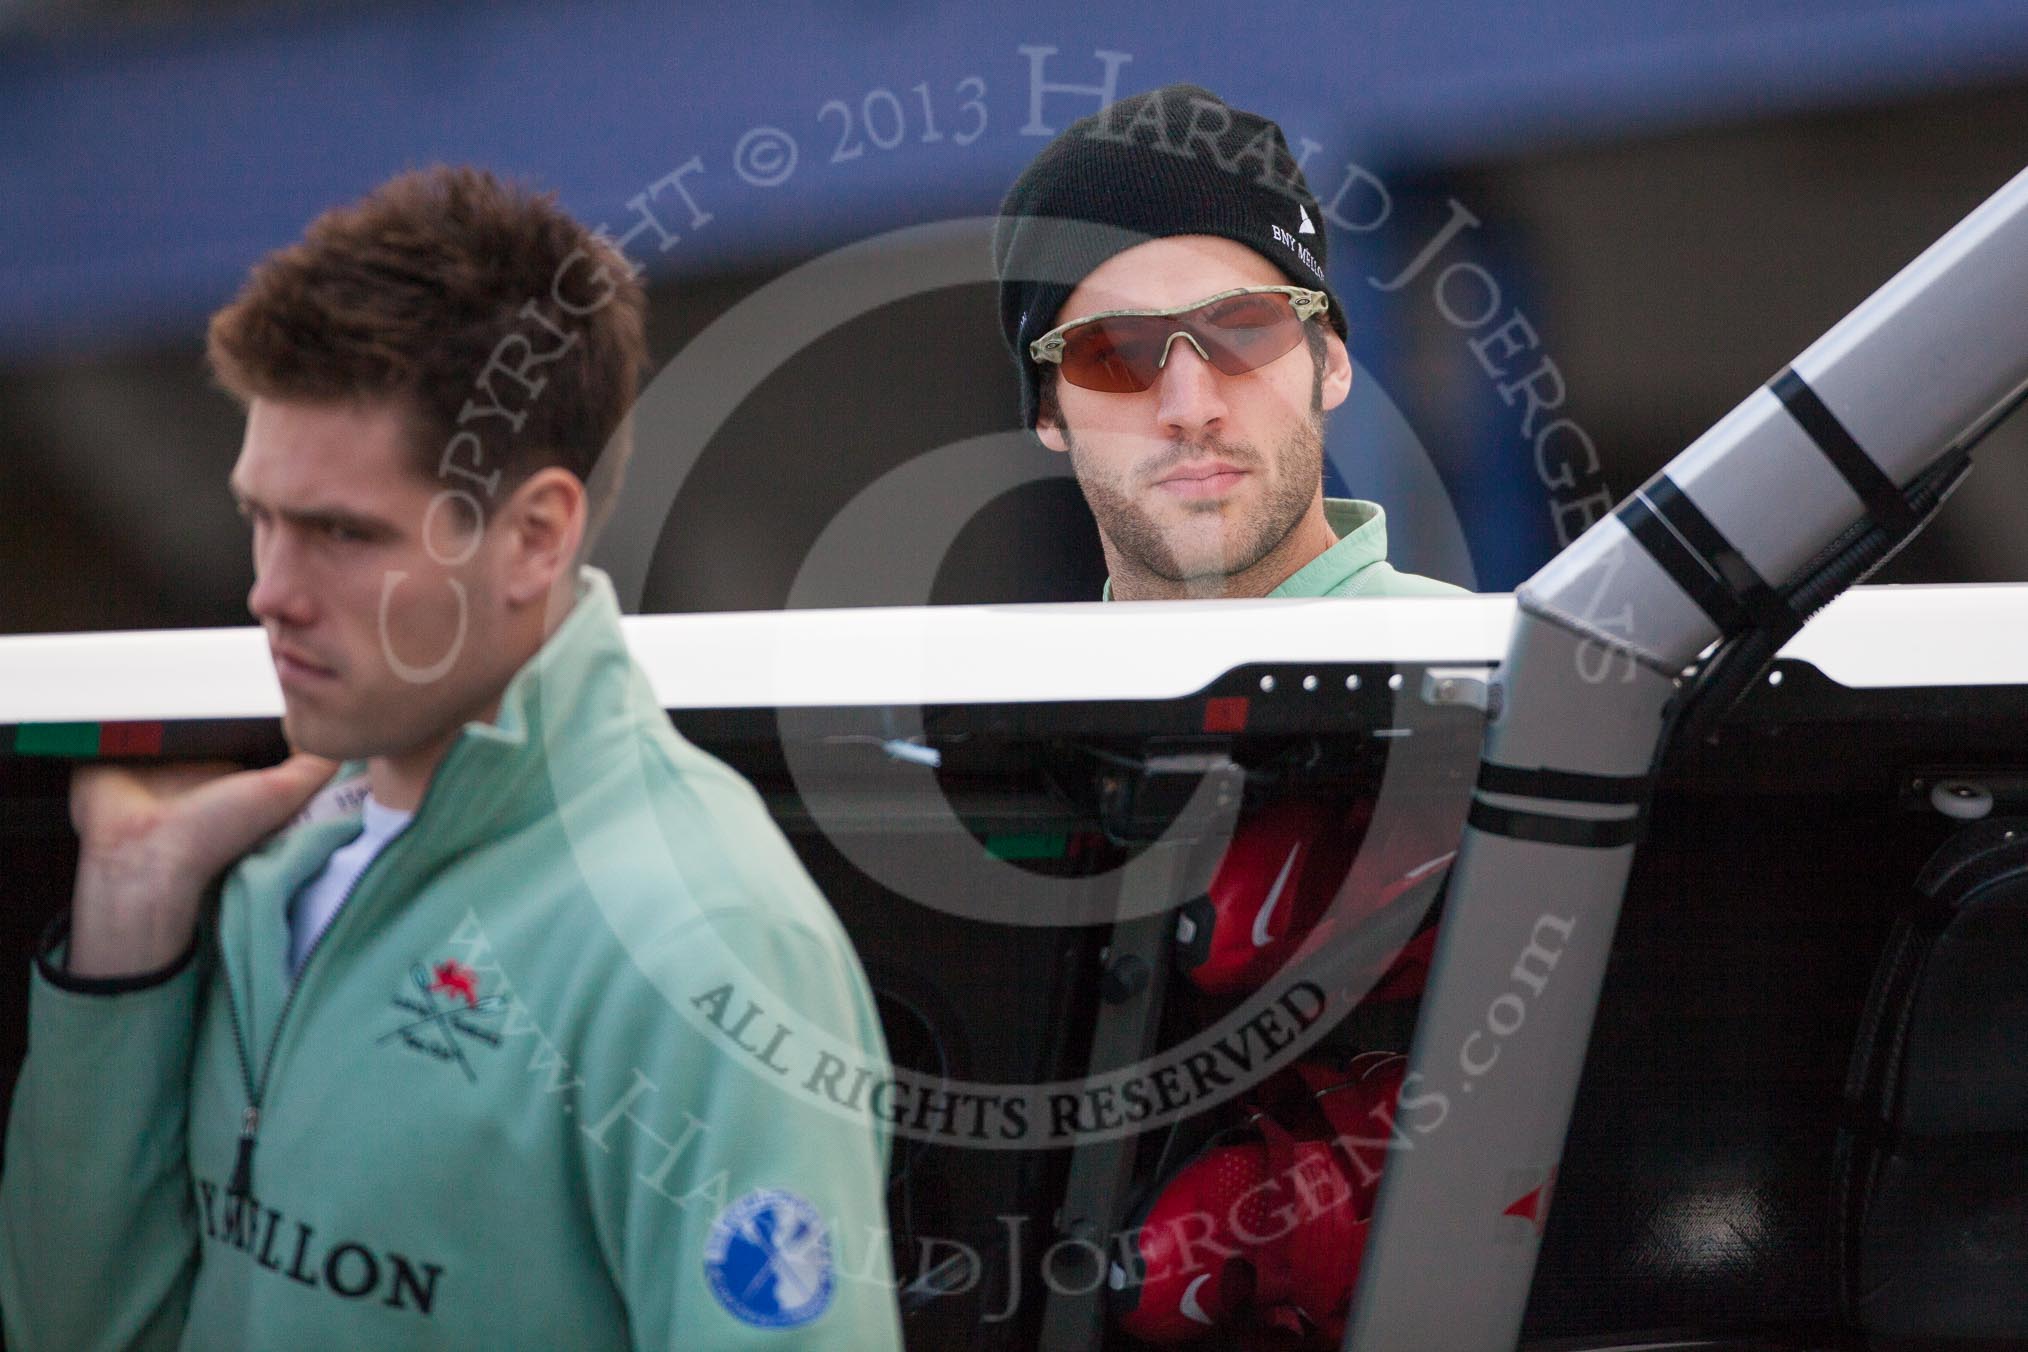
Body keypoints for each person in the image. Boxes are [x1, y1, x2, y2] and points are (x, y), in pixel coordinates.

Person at [0, 167, 902, 1349]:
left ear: (535, 535)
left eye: (340, 532)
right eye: (260, 517)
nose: (270, 591)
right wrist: (127, 920)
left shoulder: (709, 940)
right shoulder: (262, 862)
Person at [994, 83, 1469, 602]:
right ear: (1047, 408)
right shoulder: (1020, 684)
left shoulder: (1493, 669)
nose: (1191, 408)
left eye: (1244, 331)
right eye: (1113, 355)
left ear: (1330, 361)